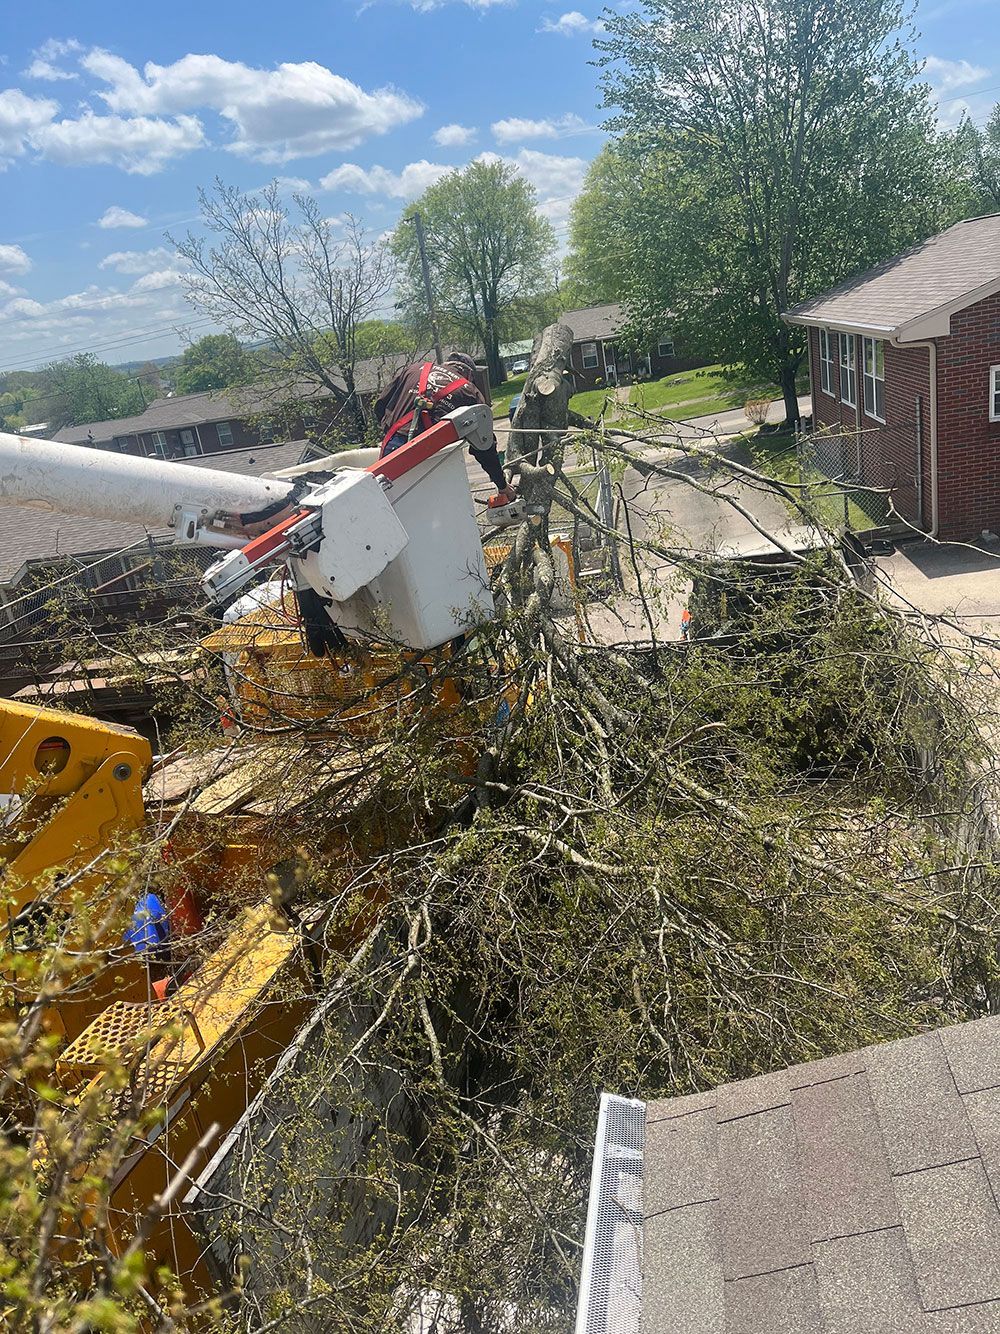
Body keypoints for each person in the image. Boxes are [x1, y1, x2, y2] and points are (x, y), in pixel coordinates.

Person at [373, 354, 518, 518]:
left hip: (391, 450)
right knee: (429, 518)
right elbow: (484, 447)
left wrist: (391, 431)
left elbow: (380, 406)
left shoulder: (412, 370)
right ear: (469, 374)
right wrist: (502, 485)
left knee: (388, 513)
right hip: (434, 462)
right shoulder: (470, 392)